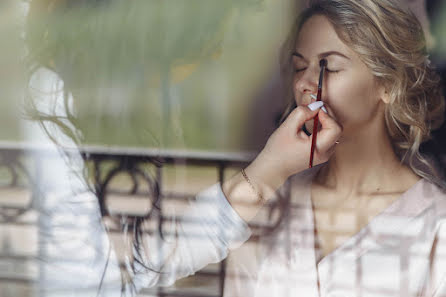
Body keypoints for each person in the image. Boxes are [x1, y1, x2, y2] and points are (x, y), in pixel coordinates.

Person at [23, 0, 446, 296]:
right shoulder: (271, 204)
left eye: (328, 67)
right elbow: (108, 274)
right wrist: (265, 176)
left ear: (388, 86)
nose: (305, 84)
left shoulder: (435, 226)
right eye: (298, 67)